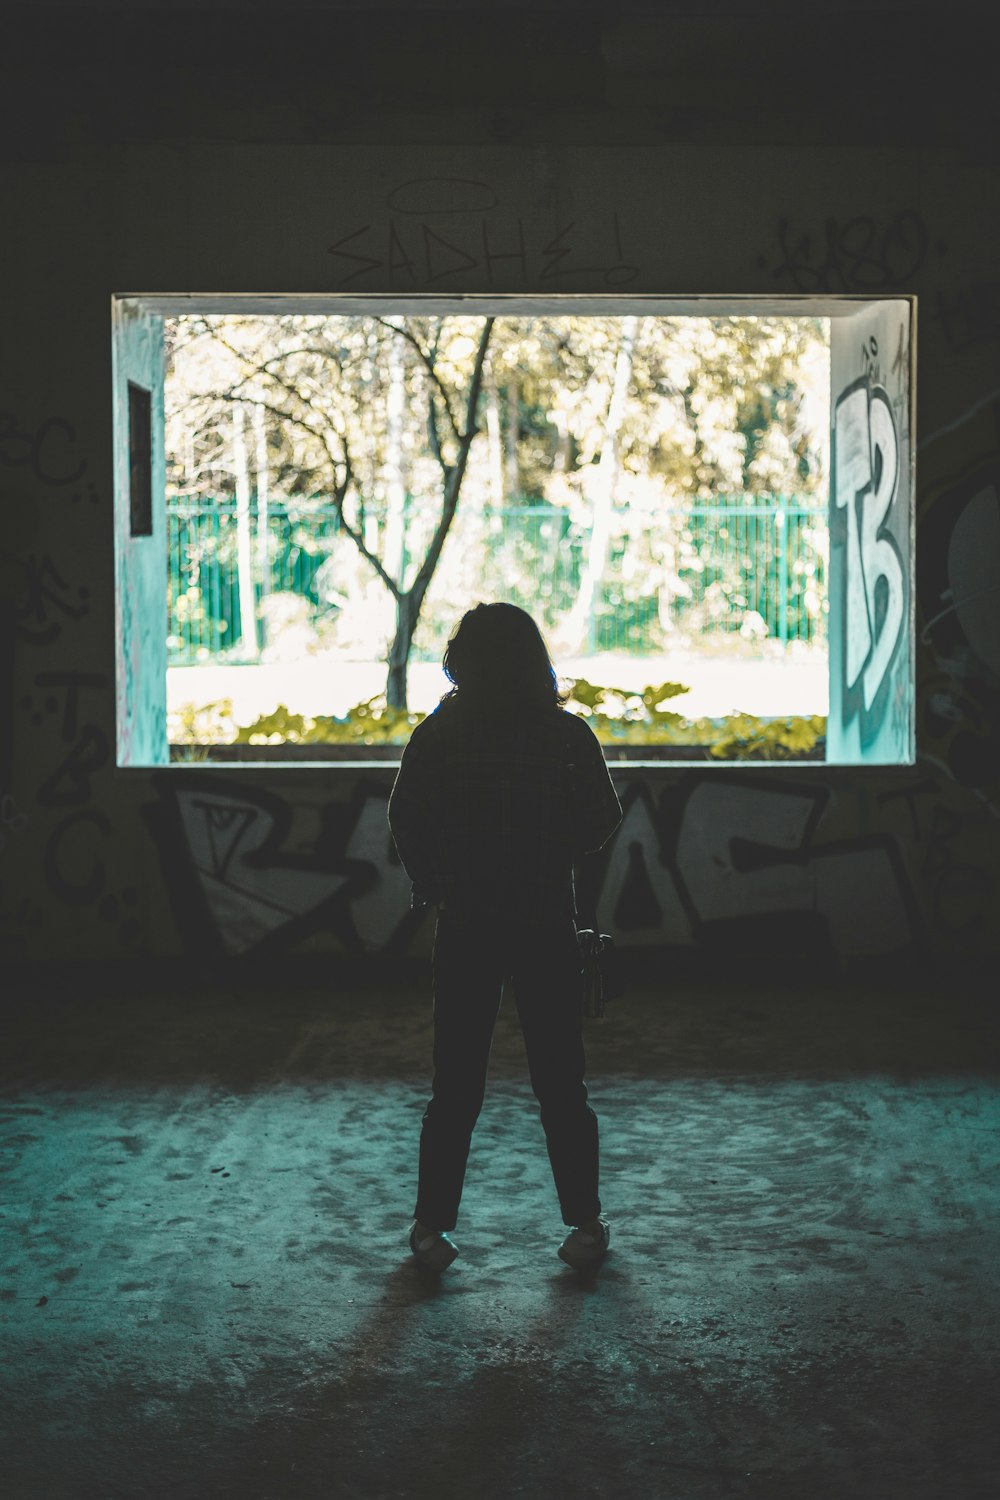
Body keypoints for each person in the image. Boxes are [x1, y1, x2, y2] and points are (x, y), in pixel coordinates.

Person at [387, 603, 623, 1272]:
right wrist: (552, 857)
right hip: (546, 923)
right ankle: (584, 1223)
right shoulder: (565, 736)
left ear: (462, 661)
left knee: (455, 1084)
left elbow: (405, 816)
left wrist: (440, 881)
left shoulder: (439, 735)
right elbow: (602, 817)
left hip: (466, 927)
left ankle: (430, 1228)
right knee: (561, 1083)